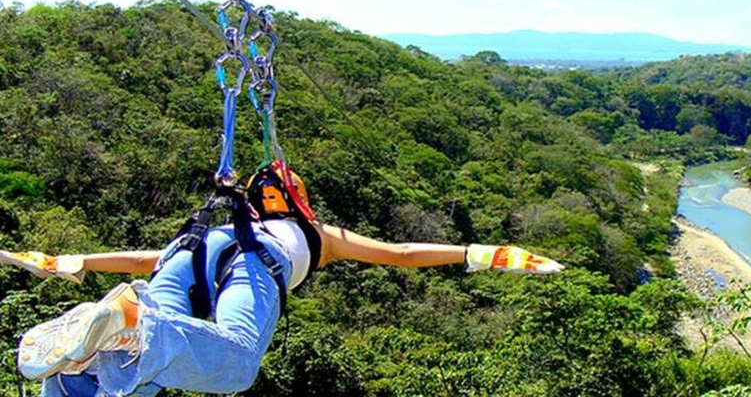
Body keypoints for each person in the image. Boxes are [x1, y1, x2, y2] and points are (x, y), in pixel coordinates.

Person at [4, 169, 563, 396]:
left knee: (138, 378)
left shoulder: (227, 221)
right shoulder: (315, 233)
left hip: (184, 255)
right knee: (238, 363)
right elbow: (401, 254)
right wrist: (486, 252)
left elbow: (141, 261)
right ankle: (129, 326)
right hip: (253, 265)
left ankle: (78, 360)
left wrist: (66, 262)